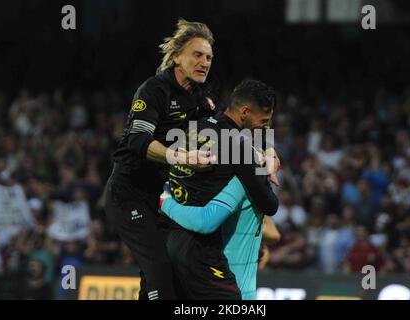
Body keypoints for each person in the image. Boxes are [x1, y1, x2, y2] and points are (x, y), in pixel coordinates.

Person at [104, 18, 218, 300]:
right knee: (159, 267)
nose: (204, 62)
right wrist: (181, 157)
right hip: (127, 194)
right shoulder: (154, 90)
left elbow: (224, 133)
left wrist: (260, 149)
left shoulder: (200, 98)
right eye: (197, 54)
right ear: (177, 57)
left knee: (168, 272)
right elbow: (138, 141)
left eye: (209, 57)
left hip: (158, 199)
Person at [159, 79, 280, 299]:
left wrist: (267, 150)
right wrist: (165, 201)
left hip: (167, 238)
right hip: (198, 248)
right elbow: (270, 205)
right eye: (264, 121)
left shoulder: (197, 125)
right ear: (244, 112)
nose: (266, 128)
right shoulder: (239, 147)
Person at [160, 176, 281, 299]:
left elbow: (204, 222)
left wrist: (165, 202)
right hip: (239, 291)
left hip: (226, 291)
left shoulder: (238, 183)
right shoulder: (254, 182)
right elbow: (273, 234)